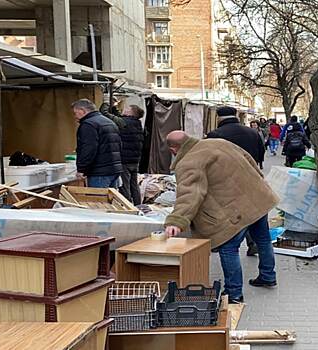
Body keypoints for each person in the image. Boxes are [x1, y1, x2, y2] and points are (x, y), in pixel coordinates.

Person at [163, 131, 279, 303]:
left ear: (173, 149)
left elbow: (191, 193)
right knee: (263, 239)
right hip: (256, 199)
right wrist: (260, 183)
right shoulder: (219, 142)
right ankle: (268, 276)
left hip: (232, 212)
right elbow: (250, 160)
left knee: (229, 249)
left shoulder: (188, 162)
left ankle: (234, 294)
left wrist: (176, 220)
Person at [207, 107, 267, 257]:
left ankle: (224, 242)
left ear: (219, 118)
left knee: (235, 219)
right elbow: (261, 153)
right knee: (257, 221)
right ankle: (265, 270)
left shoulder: (215, 135)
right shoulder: (253, 132)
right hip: (253, 180)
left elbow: (207, 159)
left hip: (227, 184)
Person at [71, 99, 123, 188]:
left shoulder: (88, 124)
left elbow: (88, 149)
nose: (75, 116)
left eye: (75, 113)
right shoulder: (109, 122)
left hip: (99, 172)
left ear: (82, 111)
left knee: (98, 200)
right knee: (111, 200)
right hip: (114, 169)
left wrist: (82, 169)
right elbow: (119, 145)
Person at [117, 105, 145, 205]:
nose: (123, 109)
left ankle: (128, 206)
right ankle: (138, 204)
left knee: (125, 186)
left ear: (130, 113)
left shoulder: (125, 122)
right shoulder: (137, 123)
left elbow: (112, 118)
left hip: (125, 159)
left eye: (126, 108)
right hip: (135, 160)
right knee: (134, 184)